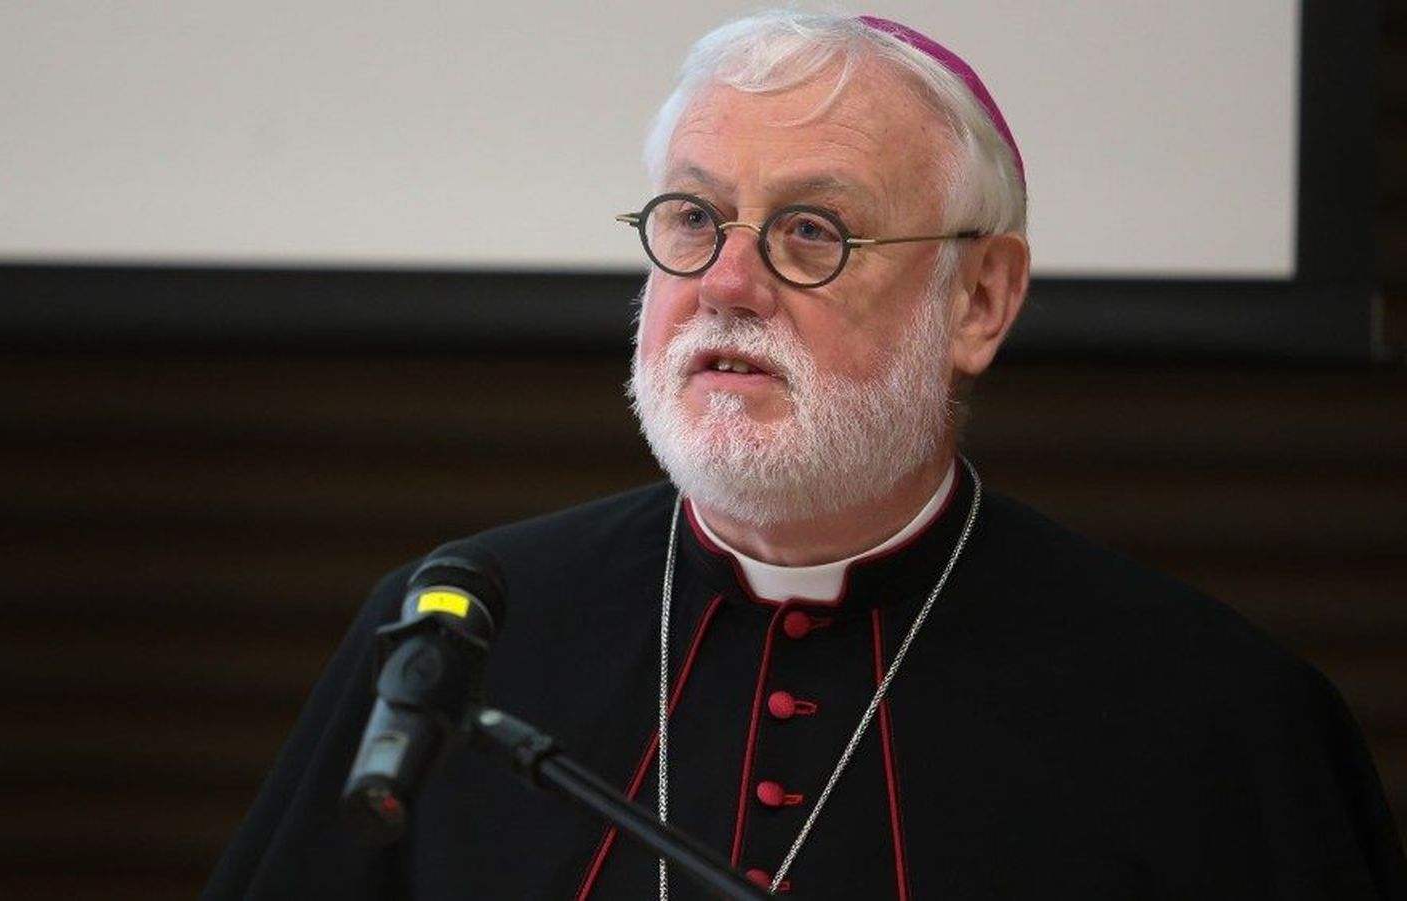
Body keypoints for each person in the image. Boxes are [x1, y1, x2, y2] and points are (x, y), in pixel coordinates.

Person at [206, 11, 1406, 899]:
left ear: (979, 300)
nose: (727, 282)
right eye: (692, 217)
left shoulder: (1210, 716)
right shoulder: (458, 642)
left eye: (812, 230)